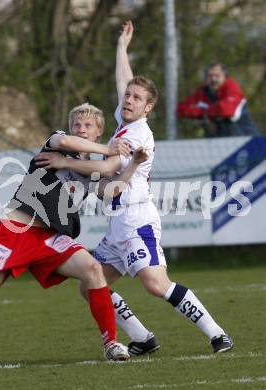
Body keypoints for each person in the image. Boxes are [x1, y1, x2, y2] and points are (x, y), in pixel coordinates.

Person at [36, 21, 234, 355]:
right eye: (128, 95)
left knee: (156, 284)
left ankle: (217, 334)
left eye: (136, 97)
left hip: (137, 221)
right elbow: (123, 83)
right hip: (117, 227)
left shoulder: (136, 134)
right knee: (90, 283)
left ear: (148, 107)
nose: (128, 99)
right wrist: (122, 48)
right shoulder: (123, 125)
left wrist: (65, 162)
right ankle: (142, 337)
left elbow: (109, 167)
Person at [0, 102, 150, 368]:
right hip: (16, 231)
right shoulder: (56, 144)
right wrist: (107, 149)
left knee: (93, 269)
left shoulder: (90, 170)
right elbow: (67, 140)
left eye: (88, 126)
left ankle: (111, 343)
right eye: (77, 125)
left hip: (51, 239)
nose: (81, 130)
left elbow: (112, 189)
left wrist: (134, 166)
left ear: (98, 132)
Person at [178, 62, 259, 137]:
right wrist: (206, 115)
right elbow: (182, 109)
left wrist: (204, 113)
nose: (213, 79)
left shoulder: (232, 88)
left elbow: (226, 110)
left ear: (225, 76)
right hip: (217, 140)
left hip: (245, 140)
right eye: (210, 76)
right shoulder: (203, 92)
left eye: (217, 76)